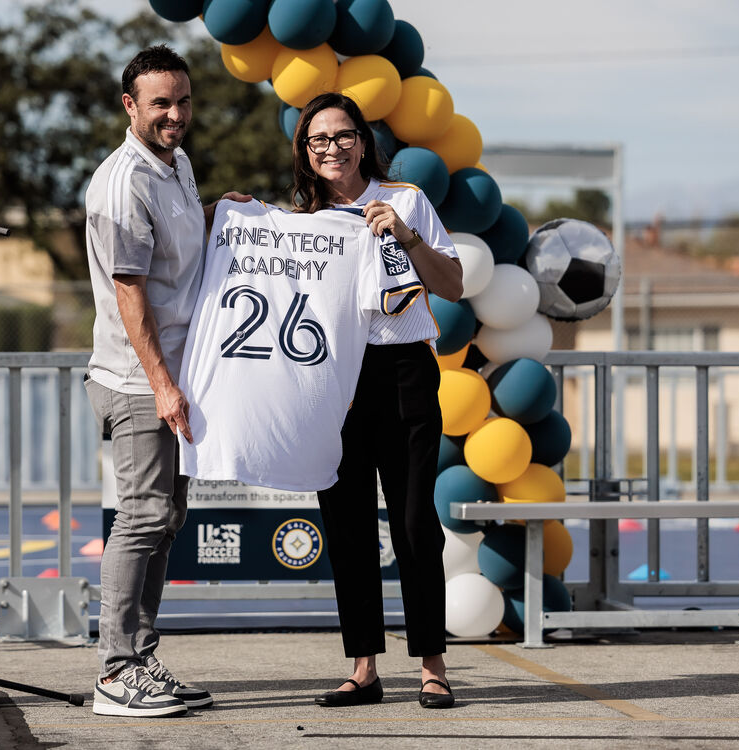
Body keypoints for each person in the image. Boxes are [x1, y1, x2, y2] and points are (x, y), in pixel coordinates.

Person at [83, 44, 246, 718]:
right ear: (130, 106)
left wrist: (216, 215)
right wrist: (162, 384)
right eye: (160, 103)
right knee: (144, 515)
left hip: (175, 373)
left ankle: (141, 657)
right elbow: (132, 292)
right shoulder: (125, 181)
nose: (174, 114)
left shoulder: (175, 166)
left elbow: (173, 253)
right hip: (138, 378)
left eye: (182, 100)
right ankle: (115, 671)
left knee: (166, 518)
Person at [292, 93, 464, 709]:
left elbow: (453, 284)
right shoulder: (301, 221)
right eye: (318, 141)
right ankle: (364, 667)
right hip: (333, 380)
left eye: (342, 137)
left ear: (363, 142)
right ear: (305, 153)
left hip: (404, 373)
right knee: (349, 525)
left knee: (417, 522)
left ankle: (432, 665)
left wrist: (408, 237)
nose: (331, 149)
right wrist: (233, 214)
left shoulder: (408, 201)